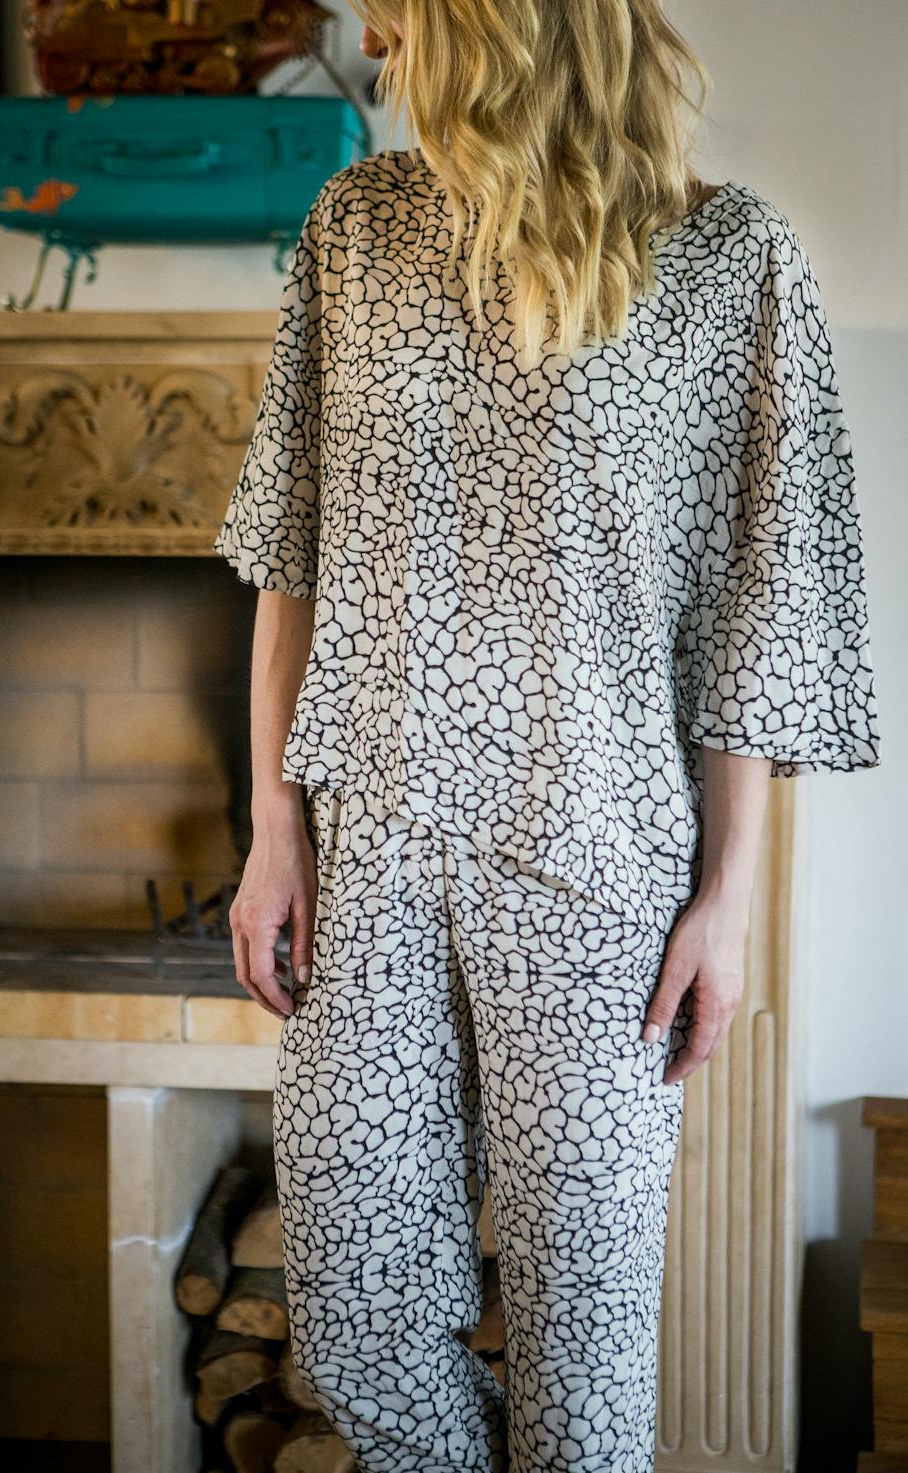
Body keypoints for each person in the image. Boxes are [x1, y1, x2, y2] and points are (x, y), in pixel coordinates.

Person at [215, 2, 882, 1468]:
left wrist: (729, 899)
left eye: (398, 14)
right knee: (354, 1319)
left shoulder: (729, 257)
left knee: (583, 1370)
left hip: (599, 857)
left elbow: (765, 611)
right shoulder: (356, 228)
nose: (373, 45)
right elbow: (287, 553)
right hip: (368, 844)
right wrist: (273, 825)